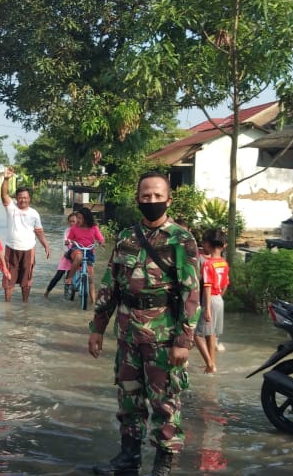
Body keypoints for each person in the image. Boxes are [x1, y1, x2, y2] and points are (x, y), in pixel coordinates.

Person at [88, 171, 201, 476]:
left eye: (157, 196)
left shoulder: (181, 239)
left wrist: (183, 341)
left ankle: (163, 465)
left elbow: (192, 293)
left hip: (164, 336)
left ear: (168, 199)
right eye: (145, 196)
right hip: (127, 335)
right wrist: (97, 327)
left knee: (165, 403)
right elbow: (111, 284)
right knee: (128, 399)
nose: (151, 201)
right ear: (137, 198)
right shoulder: (126, 237)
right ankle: (128, 459)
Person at [0, 167, 50, 302]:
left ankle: (25, 304)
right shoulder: (11, 208)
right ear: (16, 198)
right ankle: (7, 306)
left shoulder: (34, 213)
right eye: (20, 197)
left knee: (26, 279)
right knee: (9, 278)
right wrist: (6, 179)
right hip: (11, 248)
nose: (23, 200)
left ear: (30, 199)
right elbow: (4, 195)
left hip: (29, 249)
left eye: (26, 198)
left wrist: (45, 245)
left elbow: (39, 231)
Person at [194, 229, 230, 374]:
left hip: (210, 300)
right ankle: (212, 364)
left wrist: (207, 307)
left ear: (207, 245)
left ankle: (209, 364)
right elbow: (225, 284)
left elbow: (207, 287)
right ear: (224, 245)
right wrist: (219, 297)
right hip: (219, 299)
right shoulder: (223, 263)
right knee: (212, 334)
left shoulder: (208, 264)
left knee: (197, 335)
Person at [64, 206, 105, 287]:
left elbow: (101, 239)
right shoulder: (74, 228)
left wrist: (102, 243)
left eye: (80, 218)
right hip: (76, 250)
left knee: (90, 280)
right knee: (79, 257)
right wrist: (67, 241)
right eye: (77, 218)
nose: (77, 220)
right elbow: (69, 239)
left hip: (89, 252)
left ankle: (93, 300)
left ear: (86, 219)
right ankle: (70, 278)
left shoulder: (94, 228)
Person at [43, 212, 80, 300]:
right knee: (58, 275)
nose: (72, 223)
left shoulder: (81, 231)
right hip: (67, 256)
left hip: (78, 256)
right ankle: (47, 293)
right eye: (70, 222)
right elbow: (65, 244)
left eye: (74, 221)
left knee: (77, 275)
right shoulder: (67, 231)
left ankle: (70, 296)